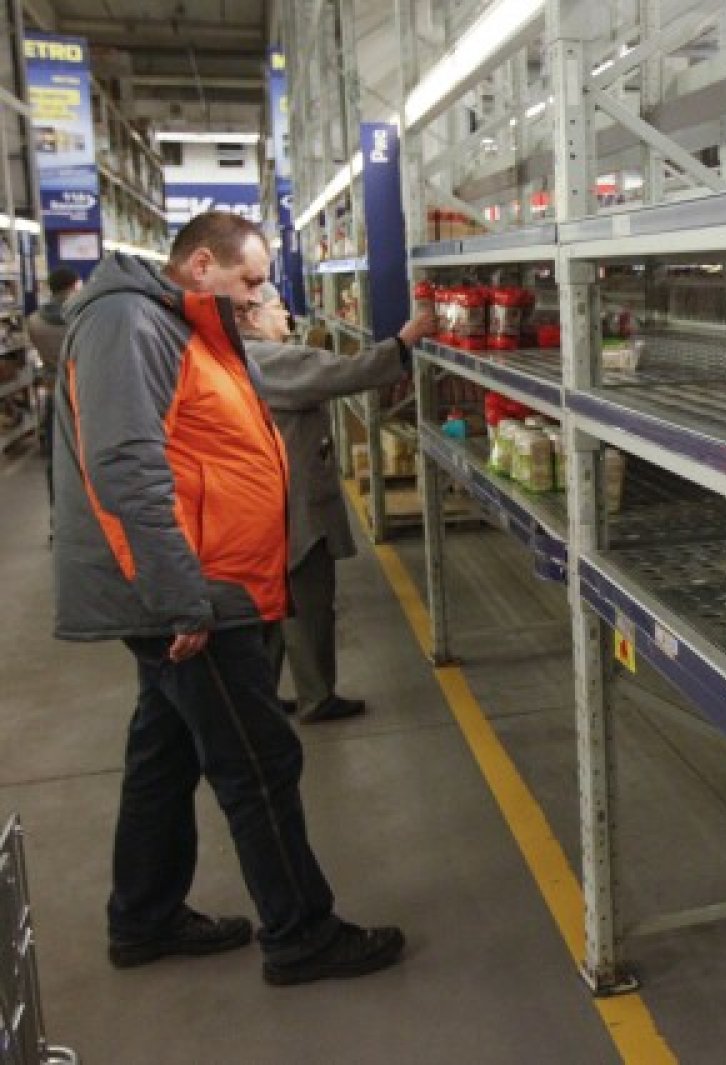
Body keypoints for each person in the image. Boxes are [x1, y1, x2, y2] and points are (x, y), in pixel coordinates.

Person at [52, 211, 404, 985]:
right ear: (202, 264)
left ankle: (143, 916)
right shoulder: (129, 324)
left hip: (193, 578)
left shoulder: (171, 323)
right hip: (191, 590)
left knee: (165, 752)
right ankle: (302, 933)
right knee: (259, 757)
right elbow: (125, 466)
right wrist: (182, 598)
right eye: (249, 280)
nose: (256, 296)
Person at [239, 282, 436, 722]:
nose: (286, 316)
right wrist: (405, 340)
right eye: (277, 308)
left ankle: (259, 700)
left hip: (269, 503)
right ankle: (316, 697)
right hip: (293, 509)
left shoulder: (241, 356)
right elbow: (344, 372)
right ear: (251, 315)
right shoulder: (265, 359)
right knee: (307, 605)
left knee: (272, 610)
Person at [26, 266, 81, 503]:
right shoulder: (81, 318)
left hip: (53, 392)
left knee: (56, 456)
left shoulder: (34, 321)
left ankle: (57, 510)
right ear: (73, 286)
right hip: (82, 393)